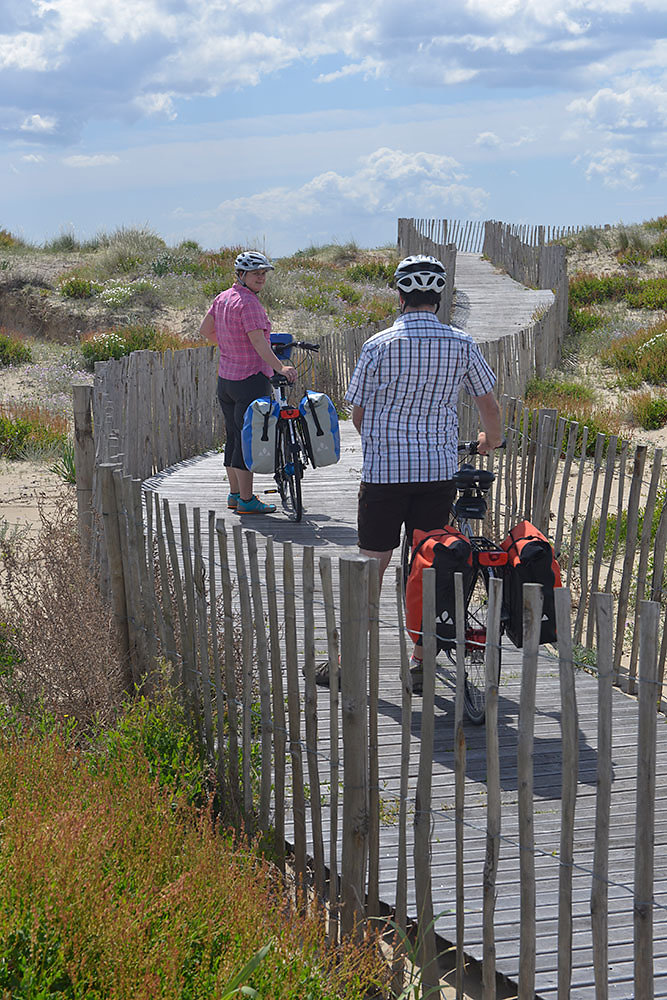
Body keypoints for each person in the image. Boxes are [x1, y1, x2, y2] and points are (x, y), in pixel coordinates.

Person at [343, 253, 503, 692]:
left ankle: (350, 660)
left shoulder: (377, 345)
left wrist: (380, 438)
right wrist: (491, 438)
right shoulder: (461, 343)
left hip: (384, 474)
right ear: (439, 296)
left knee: (372, 563)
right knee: (429, 563)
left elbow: (356, 413)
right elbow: (488, 403)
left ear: (399, 295)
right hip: (435, 472)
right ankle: (420, 658)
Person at [200, 250, 297, 514]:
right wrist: (280, 367)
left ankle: (233, 495)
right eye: (256, 273)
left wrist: (231, 345)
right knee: (247, 439)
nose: (261, 278)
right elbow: (259, 342)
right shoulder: (250, 304)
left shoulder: (222, 298)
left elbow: (205, 331)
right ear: (241, 275)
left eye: (264, 273)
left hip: (226, 379)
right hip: (250, 379)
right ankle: (246, 499)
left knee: (232, 435)